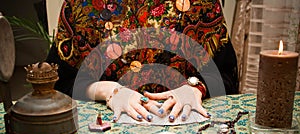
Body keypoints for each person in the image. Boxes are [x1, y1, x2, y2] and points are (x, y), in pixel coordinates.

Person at [46, 0, 239, 123]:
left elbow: (226, 76)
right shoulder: (80, 5)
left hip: (187, 127)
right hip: (108, 133)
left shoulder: (201, 3)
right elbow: (58, 85)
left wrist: (196, 88)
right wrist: (108, 91)